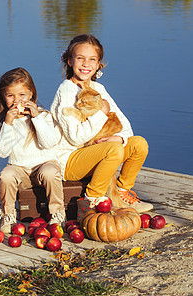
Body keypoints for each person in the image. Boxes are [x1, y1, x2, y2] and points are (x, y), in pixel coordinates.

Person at [50, 34, 152, 218]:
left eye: (92, 59)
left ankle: (121, 193)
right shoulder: (66, 90)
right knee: (113, 150)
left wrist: (119, 137)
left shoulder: (98, 89)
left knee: (138, 144)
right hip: (69, 160)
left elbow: (125, 124)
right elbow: (75, 137)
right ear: (69, 60)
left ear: (98, 65)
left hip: (93, 151)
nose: (85, 64)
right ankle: (93, 200)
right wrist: (101, 113)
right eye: (80, 58)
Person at [0, 67, 64, 232]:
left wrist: (36, 117)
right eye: (10, 96)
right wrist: (8, 123)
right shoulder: (5, 123)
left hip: (44, 165)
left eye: (22, 95)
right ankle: (8, 215)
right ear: (3, 97)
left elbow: (49, 143)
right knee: (6, 175)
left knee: (50, 172)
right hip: (19, 169)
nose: (17, 101)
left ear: (31, 93)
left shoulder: (43, 116)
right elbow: (2, 152)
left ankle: (58, 213)